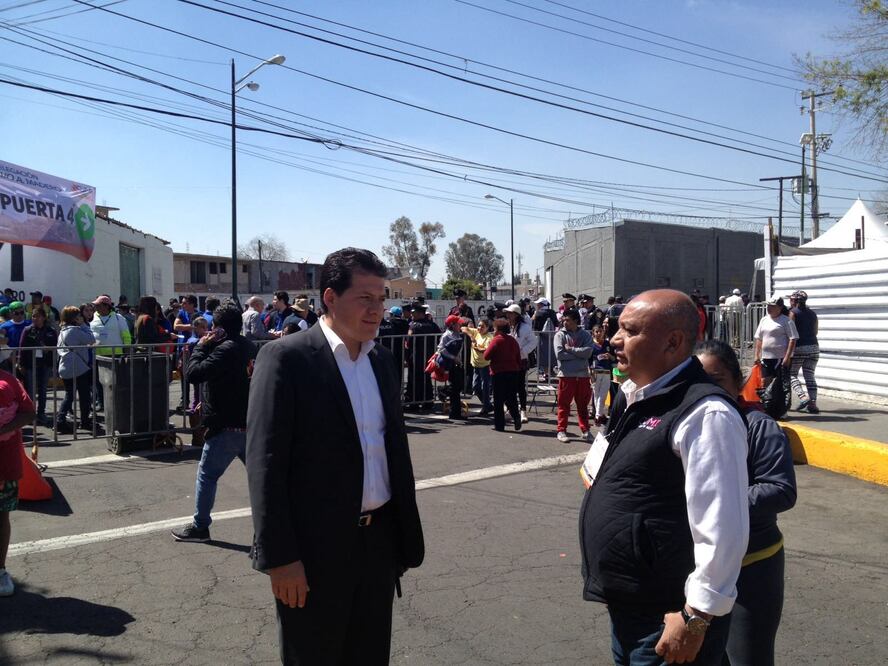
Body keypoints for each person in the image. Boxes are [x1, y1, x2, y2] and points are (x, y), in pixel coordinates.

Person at [245, 247, 424, 664]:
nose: (376, 309)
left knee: (369, 654)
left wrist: (398, 541)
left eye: (381, 299)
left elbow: (391, 451)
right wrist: (281, 559)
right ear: (330, 298)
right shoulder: (286, 359)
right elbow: (265, 464)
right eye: (365, 298)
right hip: (312, 552)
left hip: (378, 545)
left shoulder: (380, 360)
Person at [579, 289, 749, 666]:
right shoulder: (633, 395)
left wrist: (696, 617)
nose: (615, 339)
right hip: (629, 608)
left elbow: (722, 529)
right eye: (616, 329)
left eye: (630, 330)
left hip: (670, 619)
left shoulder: (705, 414)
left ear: (672, 342)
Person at [695, 340, 797, 666]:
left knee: (746, 658)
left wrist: (718, 503)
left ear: (738, 382)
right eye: (698, 382)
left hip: (752, 565)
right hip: (701, 569)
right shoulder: (688, 428)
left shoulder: (759, 427)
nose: (707, 390)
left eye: (717, 380)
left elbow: (779, 489)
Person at [172, 301, 257, 543]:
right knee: (260, 480)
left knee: (207, 476)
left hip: (226, 426)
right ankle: (268, 529)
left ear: (218, 327)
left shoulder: (223, 349)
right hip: (248, 423)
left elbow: (195, 373)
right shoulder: (249, 346)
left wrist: (201, 345)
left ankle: (200, 527)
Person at [0, 367, 36, 597]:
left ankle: (0, 570)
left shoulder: (8, 381)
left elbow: (29, 412)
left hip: (4, 464)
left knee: (1, 516)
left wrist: (2, 428)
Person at [553, 308, 594, 442]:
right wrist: (579, 354)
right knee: (563, 404)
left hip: (582, 375)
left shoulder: (586, 335)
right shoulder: (559, 335)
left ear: (576, 321)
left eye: (568, 320)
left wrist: (571, 350)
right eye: (564, 320)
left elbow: (588, 352)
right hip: (566, 375)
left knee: (583, 405)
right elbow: (560, 354)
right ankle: (561, 430)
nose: (565, 323)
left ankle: (585, 430)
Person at [55, 306, 95, 432]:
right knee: (84, 396)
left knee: (69, 395)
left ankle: (60, 420)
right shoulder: (75, 330)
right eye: (78, 316)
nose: (81, 318)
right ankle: (84, 421)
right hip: (78, 367)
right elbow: (91, 339)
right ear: (74, 318)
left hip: (65, 367)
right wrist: (83, 324)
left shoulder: (62, 332)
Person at [753, 296, 798, 406]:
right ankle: (767, 404)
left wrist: (787, 357)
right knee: (765, 381)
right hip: (766, 357)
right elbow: (759, 338)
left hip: (780, 357)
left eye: (772, 306)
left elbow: (793, 339)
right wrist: (757, 355)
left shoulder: (786, 321)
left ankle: (782, 407)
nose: (769, 308)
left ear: (780, 307)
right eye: (768, 306)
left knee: (780, 383)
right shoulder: (764, 319)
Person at [18, 306, 58, 426]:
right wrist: (20, 363)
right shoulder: (27, 330)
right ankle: (31, 415)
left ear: (44, 317)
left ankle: (41, 414)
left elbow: (56, 346)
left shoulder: (51, 330)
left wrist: (49, 349)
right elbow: (21, 348)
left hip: (45, 364)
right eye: (34, 316)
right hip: (30, 365)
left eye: (38, 316)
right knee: (30, 391)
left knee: (43, 390)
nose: (35, 318)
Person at [483, 317, 522, 432]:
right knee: (511, 397)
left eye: (494, 329)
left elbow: (486, 356)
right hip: (513, 371)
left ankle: (499, 425)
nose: (493, 331)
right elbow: (518, 357)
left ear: (498, 329)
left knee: (498, 399)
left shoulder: (496, 340)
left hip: (499, 372)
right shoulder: (513, 340)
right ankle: (516, 416)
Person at [788, 291, 820, 414]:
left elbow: (791, 332)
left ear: (795, 301)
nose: (790, 301)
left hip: (799, 347)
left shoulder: (793, 313)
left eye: (791, 299)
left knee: (792, 374)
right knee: (810, 375)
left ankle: (803, 397)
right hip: (814, 347)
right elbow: (815, 331)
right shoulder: (812, 313)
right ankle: (813, 403)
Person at [404, 302, 440, 409]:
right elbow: (439, 338)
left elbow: (408, 341)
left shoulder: (413, 325)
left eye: (413, 312)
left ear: (419, 313)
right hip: (429, 356)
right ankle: (428, 401)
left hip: (415, 356)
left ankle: (414, 402)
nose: (411, 314)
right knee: (426, 378)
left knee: (414, 379)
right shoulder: (432, 325)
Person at [505, 303, 535, 423]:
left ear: (516, 315)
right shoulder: (507, 326)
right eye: (507, 313)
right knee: (509, 386)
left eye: (510, 313)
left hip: (520, 360)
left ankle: (523, 410)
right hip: (508, 360)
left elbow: (534, 341)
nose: (507, 314)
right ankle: (510, 409)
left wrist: (522, 352)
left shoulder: (525, 327)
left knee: (520, 386)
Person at [462, 318, 494, 416]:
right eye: (479, 325)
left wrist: (475, 346)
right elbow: (463, 328)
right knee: (475, 387)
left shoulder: (489, 338)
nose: (479, 328)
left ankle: (485, 407)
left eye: (482, 326)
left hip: (485, 365)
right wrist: (471, 335)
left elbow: (484, 350)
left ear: (487, 328)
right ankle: (487, 404)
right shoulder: (476, 332)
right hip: (476, 365)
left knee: (485, 387)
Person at [437, 314, 466, 420]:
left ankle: (444, 391)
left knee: (458, 386)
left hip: (457, 363)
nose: (460, 325)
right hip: (450, 364)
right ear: (452, 325)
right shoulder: (446, 335)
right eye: (458, 324)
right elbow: (441, 349)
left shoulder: (457, 334)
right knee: (455, 388)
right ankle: (455, 413)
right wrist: (453, 358)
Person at [589, 324, 614, 427]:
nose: (598, 333)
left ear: (603, 332)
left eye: (600, 331)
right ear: (593, 333)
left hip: (607, 372)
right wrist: (590, 373)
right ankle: (599, 416)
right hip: (595, 372)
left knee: (603, 394)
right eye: (596, 332)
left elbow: (614, 358)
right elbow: (588, 360)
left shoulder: (608, 344)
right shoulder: (591, 345)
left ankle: (598, 415)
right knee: (596, 394)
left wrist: (609, 356)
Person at [377, 306, 409, 380]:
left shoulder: (391, 324)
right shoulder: (405, 324)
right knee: (399, 370)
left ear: (393, 315)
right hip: (400, 350)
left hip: (386, 351)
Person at [532, 297, 558, 382]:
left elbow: (535, 327)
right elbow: (556, 323)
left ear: (541, 304)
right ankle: (550, 372)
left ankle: (546, 374)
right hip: (552, 336)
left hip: (542, 336)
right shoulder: (552, 312)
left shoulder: (538, 313)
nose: (537, 305)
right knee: (551, 353)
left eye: (538, 304)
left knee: (543, 355)